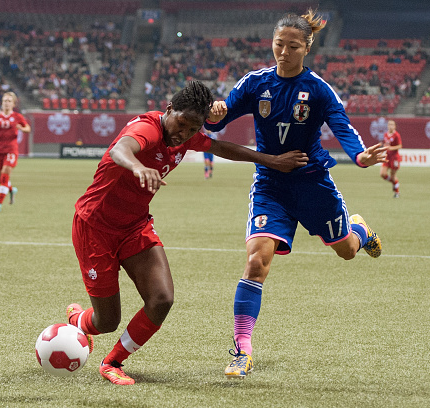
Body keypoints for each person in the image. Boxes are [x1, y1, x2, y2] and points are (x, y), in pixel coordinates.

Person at [66, 80, 307, 385]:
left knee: (162, 299)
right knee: (106, 321)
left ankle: (112, 362)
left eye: (194, 128)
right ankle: (78, 320)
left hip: (135, 226)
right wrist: (138, 167)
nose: (185, 133)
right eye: (182, 123)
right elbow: (122, 149)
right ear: (169, 109)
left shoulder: (186, 138)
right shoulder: (148, 129)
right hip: (95, 227)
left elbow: (220, 147)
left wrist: (271, 161)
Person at [204, 11, 388, 379]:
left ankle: (361, 230)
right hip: (271, 185)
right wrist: (214, 112)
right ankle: (242, 350)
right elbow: (217, 122)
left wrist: (360, 156)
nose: (283, 53)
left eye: (292, 46)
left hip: (313, 184)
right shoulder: (256, 83)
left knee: (347, 251)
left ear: (307, 47)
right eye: (278, 45)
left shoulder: (318, 89)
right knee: (256, 261)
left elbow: (342, 126)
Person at [0, 92, 31, 212]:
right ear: (2, 102)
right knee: (0, 179)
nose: (6, 103)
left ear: (13, 104)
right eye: (5, 101)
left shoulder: (17, 116)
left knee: (5, 173)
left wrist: (22, 128)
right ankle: (11, 190)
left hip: (11, 150)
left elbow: (28, 128)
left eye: (9, 101)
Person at [380, 119, 402, 198]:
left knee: (393, 175)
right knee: (382, 174)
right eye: (389, 124)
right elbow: (386, 144)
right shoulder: (385, 134)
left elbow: (400, 146)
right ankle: (395, 183)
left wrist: (391, 148)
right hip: (387, 156)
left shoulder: (396, 135)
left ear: (395, 126)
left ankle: (397, 192)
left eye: (392, 124)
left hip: (395, 158)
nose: (390, 126)